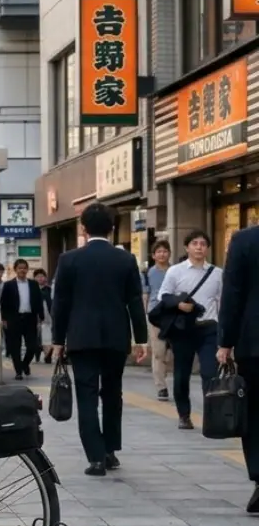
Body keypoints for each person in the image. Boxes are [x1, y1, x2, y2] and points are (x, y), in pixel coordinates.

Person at [50, 203, 148, 477]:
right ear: (112, 228)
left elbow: (61, 304)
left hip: (81, 338)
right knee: (113, 394)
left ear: (83, 228)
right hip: (117, 337)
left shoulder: (69, 260)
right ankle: (110, 450)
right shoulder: (125, 259)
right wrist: (142, 339)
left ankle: (95, 458)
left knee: (87, 395)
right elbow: (134, 303)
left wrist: (58, 339)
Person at [157, 230, 222, 430]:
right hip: (183, 329)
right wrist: (178, 304)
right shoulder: (175, 271)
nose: (199, 247)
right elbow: (163, 296)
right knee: (182, 374)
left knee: (210, 373)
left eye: (203, 244)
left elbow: (221, 302)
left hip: (209, 327)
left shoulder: (217, 273)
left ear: (207, 248)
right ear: (187, 247)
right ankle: (184, 415)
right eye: (195, 243)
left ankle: (211, 416)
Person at [216, 225, 259, 514]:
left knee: (254, 413)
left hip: (254, 343)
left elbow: (232, 293)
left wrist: (226, 342)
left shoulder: (245, 240)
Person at [0, 259, 45, 380]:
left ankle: (24, 364)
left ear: (27, 270)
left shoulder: (33, 284)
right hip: (14, 318)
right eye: (20, 268)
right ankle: (18, 371)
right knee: (15, 346)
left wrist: (41, 317)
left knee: (33, 346)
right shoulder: (9, 285)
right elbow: (3, 303)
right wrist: (4, 319)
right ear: (15, 270)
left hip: (30, 318)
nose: (22, 270)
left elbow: (38, 301)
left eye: (24, 268)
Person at [142, 240, 174, 400]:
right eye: (158, 252)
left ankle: (164, 372)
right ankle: (161, 386)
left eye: (165, 251)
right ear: (154, 255)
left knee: (171, 352)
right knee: (158, 352)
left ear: (169, 253)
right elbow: (145, 295)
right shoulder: (148, 273)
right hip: (155, 316)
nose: (162, 254)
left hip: (175, 315)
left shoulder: (176, 271)